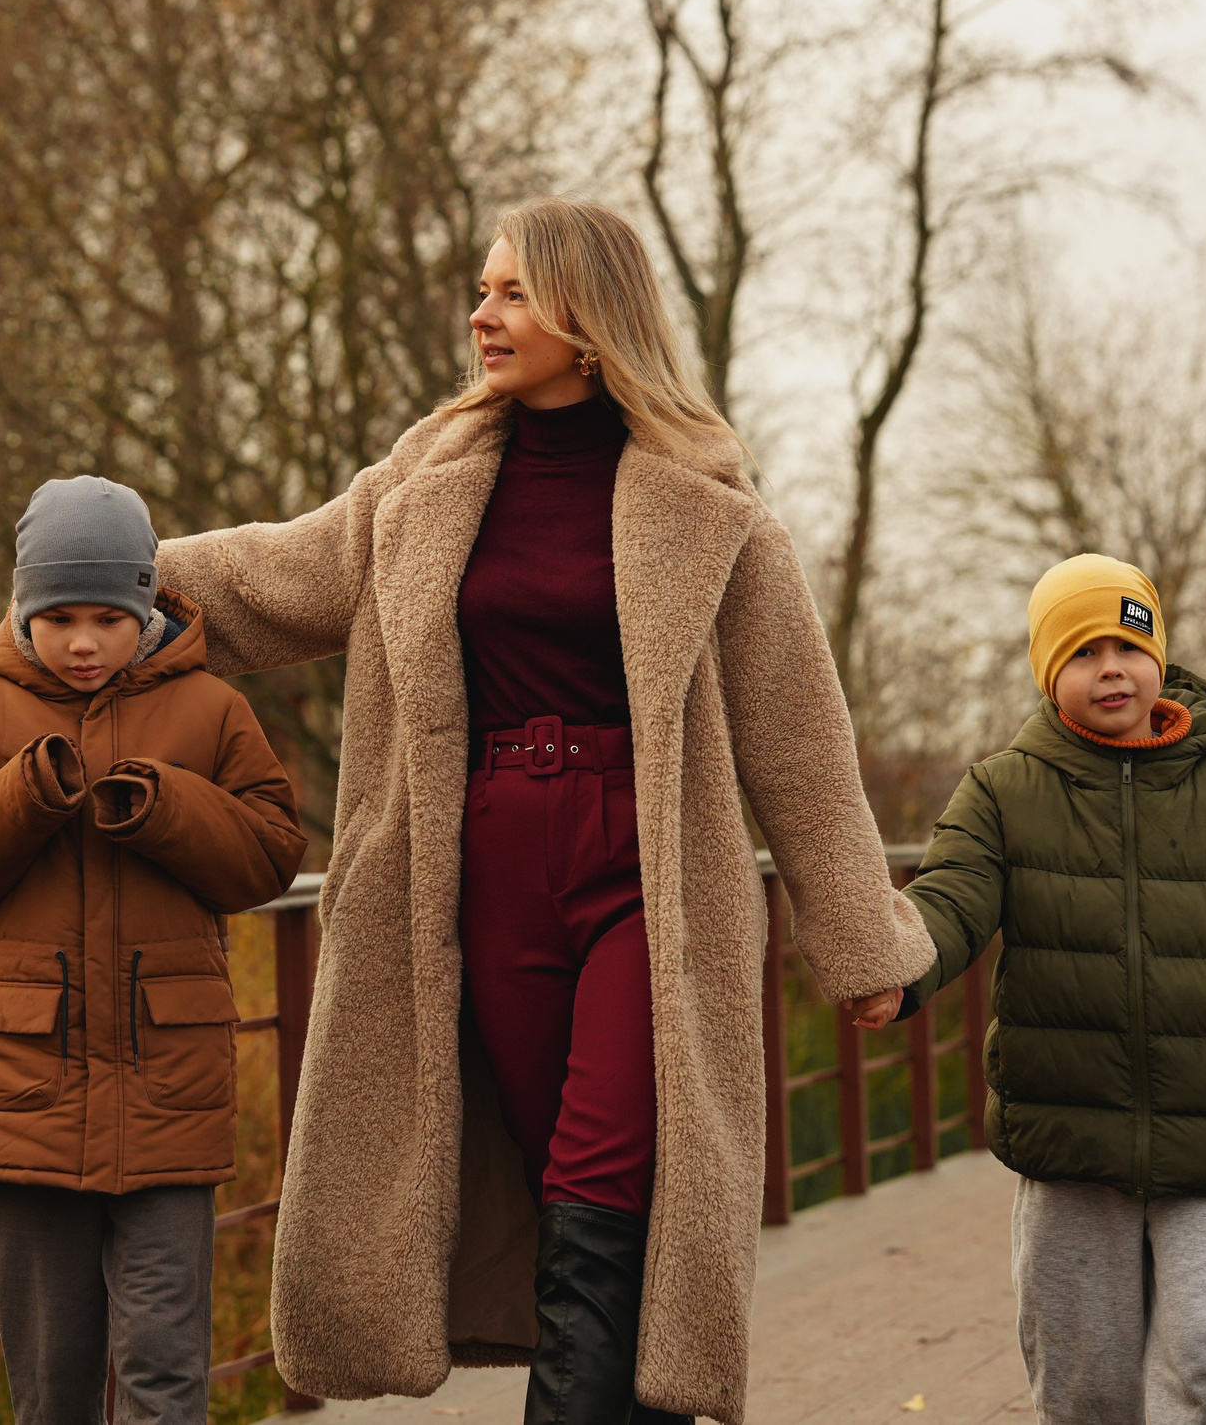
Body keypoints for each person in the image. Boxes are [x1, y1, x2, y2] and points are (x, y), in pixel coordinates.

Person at [153, 198, 935, 1425]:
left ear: (589, 315)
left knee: (603, 1165)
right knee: (552, 1178)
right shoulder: (429, 480)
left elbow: (798, 742)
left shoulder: (709, 501)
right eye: (482, 291)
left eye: (511, 293)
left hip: (648, 871)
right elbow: (278, 578)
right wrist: (102, 578)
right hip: (480, 869)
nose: (482, 315)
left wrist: (859, 939)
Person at [859, 554, 1206, 1425]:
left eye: (1127, 643)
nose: (1109, 667)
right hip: (1069, 1126)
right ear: (1051, 674)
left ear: (1159, 655)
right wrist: (897, 969)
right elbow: (951, 896)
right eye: (1082, 652)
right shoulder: (1005, 788)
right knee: (1085, 1378)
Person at [0, 474, 306, 1425]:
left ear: (147, 604)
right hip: (24, 1095)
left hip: (169, 1094)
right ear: (25, 607)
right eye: (60, 616)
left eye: (109, 617)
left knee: (166, 1378)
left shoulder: (211, 709)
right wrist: (26, 791)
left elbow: (271, 854)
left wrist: (166, 805)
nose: (83, 641)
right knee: (52, 1391)